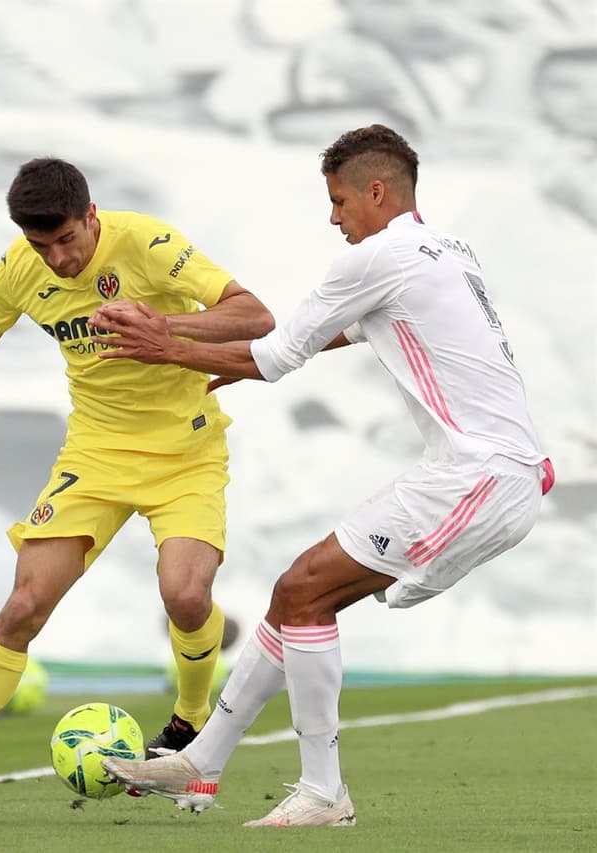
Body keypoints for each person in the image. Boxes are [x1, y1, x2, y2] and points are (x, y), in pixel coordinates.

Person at [97, 124, 552, 827]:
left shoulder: (377, 257)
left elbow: (278, 355)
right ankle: (203, 761)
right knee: (296, 590)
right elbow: (341, 330)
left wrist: (165, 345)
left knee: (306, 591)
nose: (333, 216)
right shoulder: (444, 249)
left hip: (477, 477)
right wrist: (205, 344)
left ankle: (322, 792)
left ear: (376, 192)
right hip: (493, 472)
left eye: (339, 200)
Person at [0, 157, 275, 825]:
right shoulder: (21, 267)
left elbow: (254, 315)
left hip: (186, 451)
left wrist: (169, 329)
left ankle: (188, 725)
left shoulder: (148, 244)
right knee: (24, 604)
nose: (56, 258)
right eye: (41, 244)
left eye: (66, 240)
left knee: (185, 594)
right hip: (96, 455)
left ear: (91, 216)